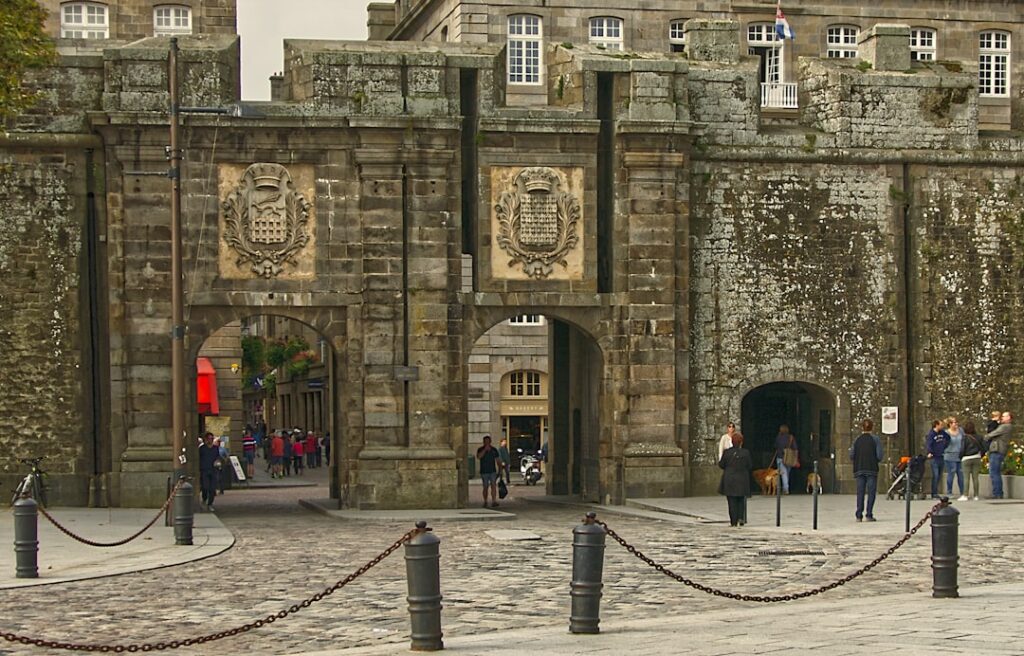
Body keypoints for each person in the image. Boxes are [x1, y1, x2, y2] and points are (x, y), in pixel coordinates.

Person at [849, 419, 883, 522]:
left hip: (859, 468)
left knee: (860, 492)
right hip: (871, 468)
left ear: (862, 428)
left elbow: (851, 455)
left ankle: (859, 515)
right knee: (871, 492)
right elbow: (879, 455)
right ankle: (869, 514)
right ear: (872, 427)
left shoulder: (857, 440)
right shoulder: (875, 439)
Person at [718, 432, 752, 527]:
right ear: (741, 442)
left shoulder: (727, 453)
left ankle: (733, 521)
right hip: (742, 479)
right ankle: (741, 518)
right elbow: (749, 465)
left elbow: (721, 464)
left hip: (730, 479)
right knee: (741, 499)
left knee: (731, 501)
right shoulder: (746, 453)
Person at [985, 411, 1013, 499]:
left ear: (1009, 418)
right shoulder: (1004, 426)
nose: (1002, 418)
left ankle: (997, 493)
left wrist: (987, 436)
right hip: (999, 450)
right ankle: (997, 492)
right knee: (995, 472)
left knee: (994, 472)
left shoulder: (1005, 427)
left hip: (997, 450)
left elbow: (990, 434)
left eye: (1004, 416)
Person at [960, 420, 985, 501]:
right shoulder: (979, 437)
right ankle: (976, 495)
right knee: (975, 478)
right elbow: (983, 447)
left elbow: (962, 449)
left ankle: (965, 495)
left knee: (966, 478)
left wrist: (960, 457)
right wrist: (981, 455)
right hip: (977, 457)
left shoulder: (965, 437)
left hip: (966, 458)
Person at [925, 419, 950, 498]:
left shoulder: (942, 433)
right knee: (935, 475)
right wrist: (930, 452)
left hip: (941, 455)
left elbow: (948, 438)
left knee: (939, 475)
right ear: (936, 425)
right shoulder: (931, 434)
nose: (942, 426)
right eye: (940, 425)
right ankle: (934, 492)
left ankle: (936, 491)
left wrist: (944, 446)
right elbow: (929, 444)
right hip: (934, 457)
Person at [476, 435, 503, 508]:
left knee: (493, 486)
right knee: (485, 486)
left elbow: (498, 460)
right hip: (484, 471)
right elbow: (479, 457)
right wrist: (485, 450)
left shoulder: (494, 450)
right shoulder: (480, 449)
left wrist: (500, 470)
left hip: (492, 471)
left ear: (490, 442)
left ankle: (494, 501)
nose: (487, 443)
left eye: (488, 441)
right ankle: (485, 501)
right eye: (485, 442)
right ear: (484, 442)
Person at [198, 432, 221, 511]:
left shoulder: (215, 448)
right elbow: (199, 459)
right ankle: (204, 499)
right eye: (209, 439)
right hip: (204, 470)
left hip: (213, 470)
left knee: (212, 488)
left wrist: (217, 462)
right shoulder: (202, 449)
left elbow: (218, 457)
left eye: (211, 438)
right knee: (205, 487)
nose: (210, 440)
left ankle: (210, 503)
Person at [944, 416, 965, 497]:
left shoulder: (961, 431)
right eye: (953, 422)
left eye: (956, 422)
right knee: (951, 473)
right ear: (949, 424)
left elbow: (964, 440)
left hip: (960, 455)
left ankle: (962, 492)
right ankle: (949, 492)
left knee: (961, 474)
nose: (956, 424)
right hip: (950, 455)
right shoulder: (946, 433)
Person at [774, 425, 797, 494]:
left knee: (783, 474)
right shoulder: (791, 437)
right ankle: (786, 487)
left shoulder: (778, 438)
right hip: (789, 458)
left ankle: (785, 489)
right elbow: (795, 448)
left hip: (780, 457)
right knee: (787, 473)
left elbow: (775, 446)